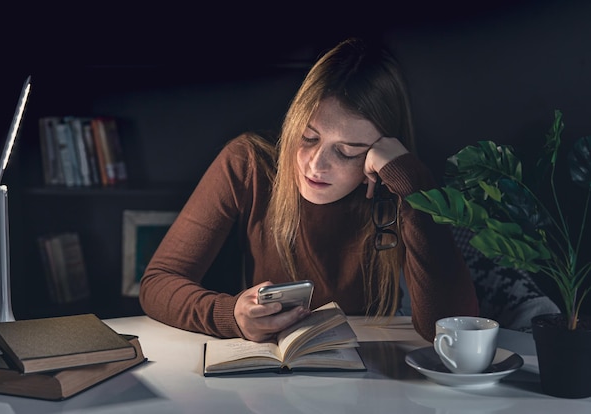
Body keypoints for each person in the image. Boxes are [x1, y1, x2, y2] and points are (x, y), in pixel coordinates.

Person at [139, 37, 479, 342]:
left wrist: (412, 184)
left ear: (379, 154)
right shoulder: (248, 163)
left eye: (347, 151)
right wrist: (232, 316)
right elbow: (158, 282)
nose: (316, 165)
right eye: (308, 138)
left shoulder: (399, 185)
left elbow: (448, 329)